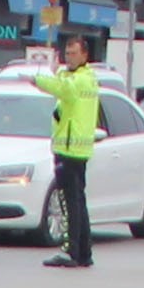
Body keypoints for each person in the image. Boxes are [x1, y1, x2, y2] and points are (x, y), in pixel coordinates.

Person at [38, 29, 105, 266]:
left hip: (69, 150)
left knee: (69, 203)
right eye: (67, 53)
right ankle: (84, 251)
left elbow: (62, 88)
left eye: (74, 53)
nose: (69, 57)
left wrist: (38, 78)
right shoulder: (85, 78)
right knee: (78, 201)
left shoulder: (79, 80)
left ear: (85, 55)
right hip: (76, 150)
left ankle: (71, 250)